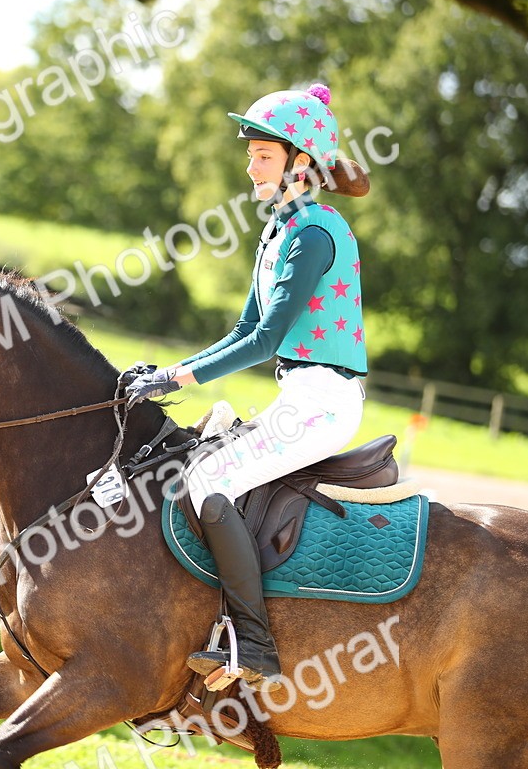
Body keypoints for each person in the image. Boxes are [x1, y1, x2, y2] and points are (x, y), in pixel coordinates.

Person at [124, 83, 369, 690]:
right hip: (300, 395)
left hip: (325, 402)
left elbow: (264, 342)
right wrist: (168, 370)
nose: (250, 166)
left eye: (263, 155)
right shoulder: (279, 230)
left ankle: (253, 644)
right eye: (253, 154)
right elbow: (243, 328)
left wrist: (175, 377)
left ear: (300, 162)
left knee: (208, 479)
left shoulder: (313, 233)